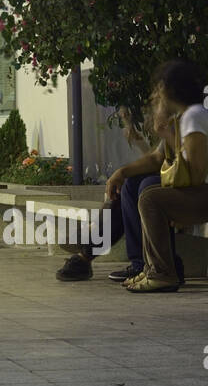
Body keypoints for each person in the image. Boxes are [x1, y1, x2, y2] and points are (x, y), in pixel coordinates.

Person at [121, 60, 208, 293]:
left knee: (151, 199)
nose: (155, 95)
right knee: (150, 193)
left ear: (168, 90)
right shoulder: (198, 112)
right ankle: (153, 268)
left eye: (158, 89)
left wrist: (178, 206)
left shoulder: (194, 115)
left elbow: (195, 174)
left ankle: (163, 273)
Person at [55, 105, 158, 282]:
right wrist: (138, 140)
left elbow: (161, 162)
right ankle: (89, 247)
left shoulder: (188, 120)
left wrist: (123, 172)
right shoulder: (179, 122)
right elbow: (157, 158)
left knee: (131, 187)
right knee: (125, 189)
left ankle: (89, 247)